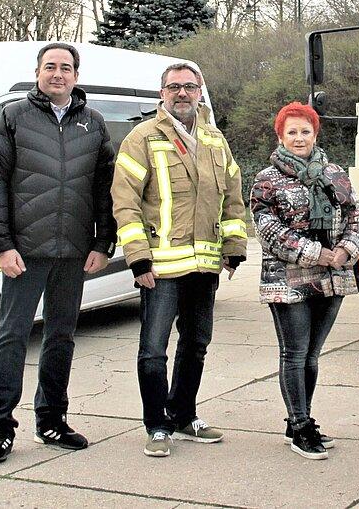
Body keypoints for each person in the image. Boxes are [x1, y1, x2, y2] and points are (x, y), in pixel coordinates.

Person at [0, 42, 116, 464]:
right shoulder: (14, 116)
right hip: (25, 253)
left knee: (61, 338)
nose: (58, 74)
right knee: (12, 337)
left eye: (66, 68)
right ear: (38, 72)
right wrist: (2, 245)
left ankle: (51, 419)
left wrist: (102, 242)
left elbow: (104, 189)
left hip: (74, 253)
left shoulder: (92, 124)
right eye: (50, 67)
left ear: (76, 76)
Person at [111, 62, 248, 458]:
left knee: (196, 343)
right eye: (174, 87)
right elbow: (125, 203)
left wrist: (234, 248)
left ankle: (184, 416)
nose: (182, 93)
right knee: (154, 349)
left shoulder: (214, 140)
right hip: (161, 268)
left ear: (200, 91)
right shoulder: (142, 138)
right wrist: (138, 259)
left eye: (190, 86)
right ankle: (157, 425)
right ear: (162, 94)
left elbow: (233, 199)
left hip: (204, 266)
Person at [250, 101, 359, 460]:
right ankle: (300, 426)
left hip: (333, 277)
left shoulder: (335, 173)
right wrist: (317, 253)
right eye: (292, 132)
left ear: (315, 133)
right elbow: (268, 229)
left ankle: (300, 420)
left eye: (305, 131)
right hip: (287, 277)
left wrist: (347, 250)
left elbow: (355, 217)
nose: (299, 138)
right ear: (280, 136)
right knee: (295, 353)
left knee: (312, 356)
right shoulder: (266, 180)